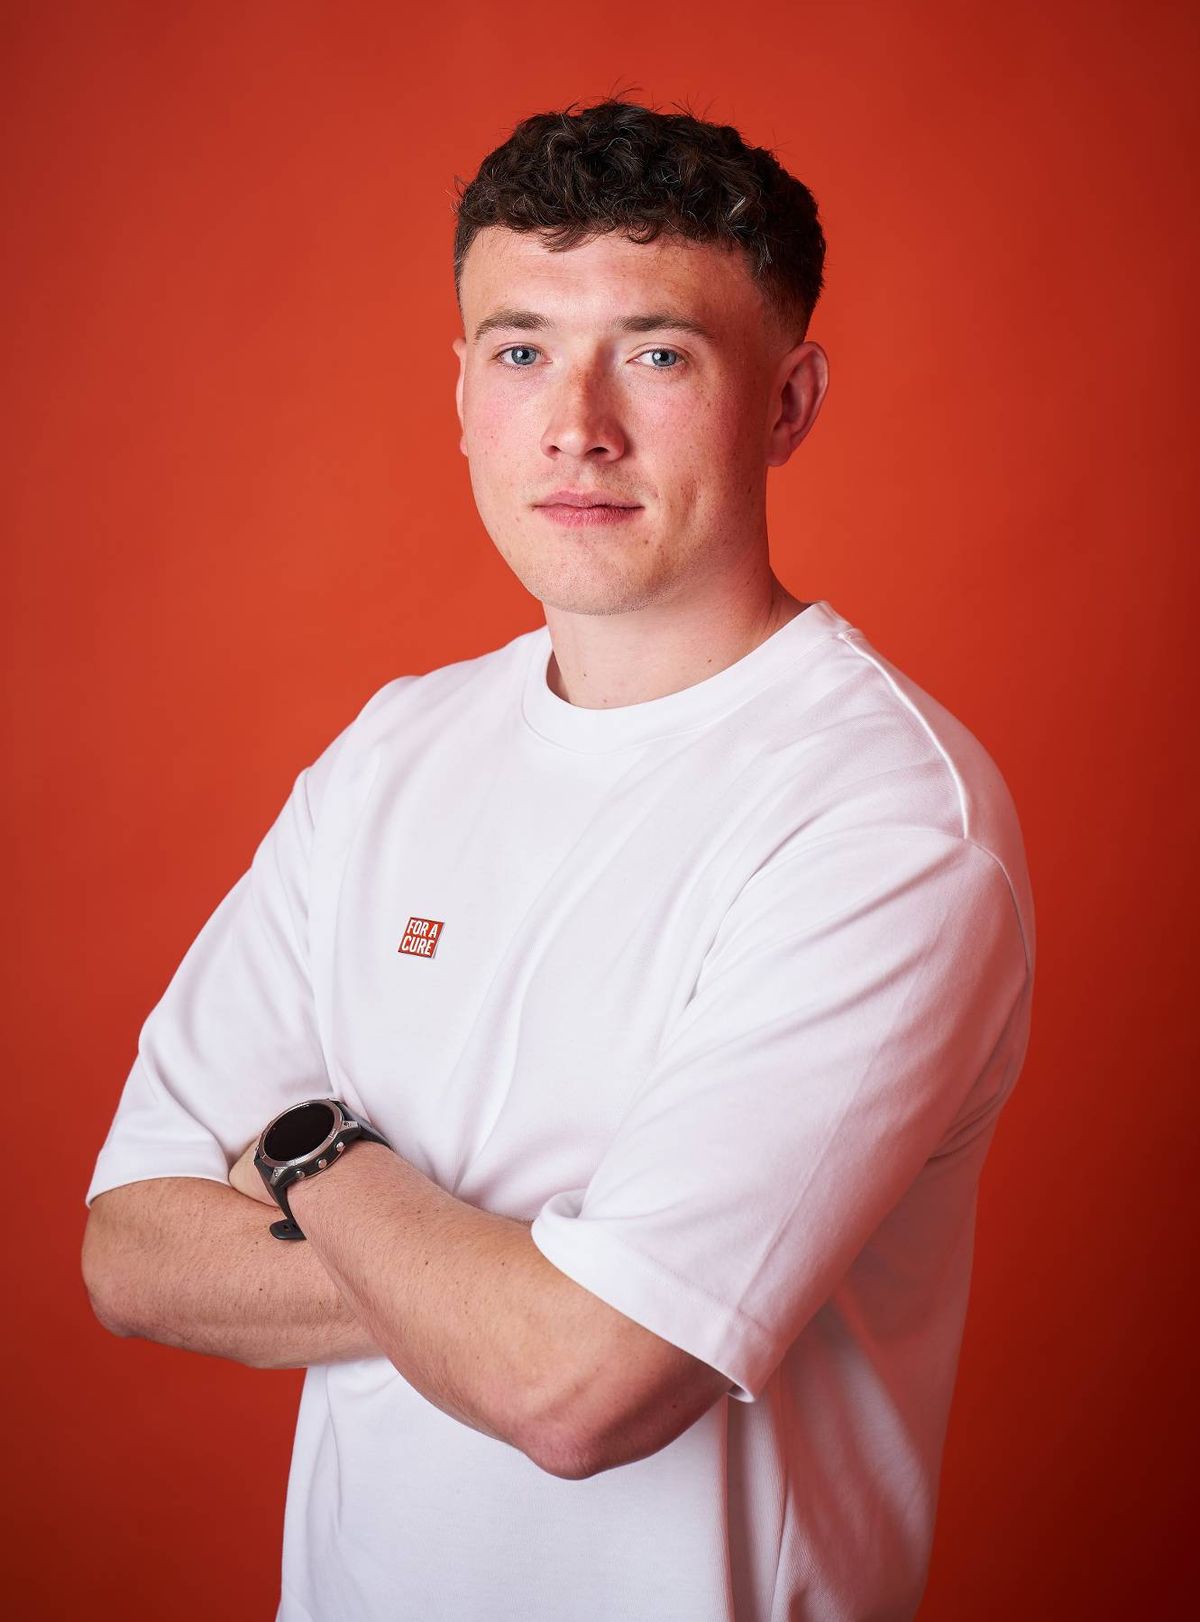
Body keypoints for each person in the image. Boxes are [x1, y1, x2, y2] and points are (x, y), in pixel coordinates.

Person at [81, 96, 1036, 1622]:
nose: (576, 423)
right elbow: (131, 1248)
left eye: (657, 354)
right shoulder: (391, 750)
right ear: (462, 392)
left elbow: (582, 1385)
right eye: (521, 350)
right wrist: (523, 1291)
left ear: (787, 402)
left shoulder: (888, 819)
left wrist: (307, 1144)